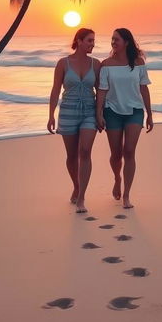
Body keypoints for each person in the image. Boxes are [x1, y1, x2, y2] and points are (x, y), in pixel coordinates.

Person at [96, 28, 153, 209]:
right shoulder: (106, 65)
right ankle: (117, 178)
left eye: (117, 39)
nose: (113, 42)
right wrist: (99, 114)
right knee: (116, 154)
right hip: (112, 111)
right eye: (112, 39)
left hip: (135, 111)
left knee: (129, 152)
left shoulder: (138, 62)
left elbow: (144, 88)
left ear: (126, 42)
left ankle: (127, 195)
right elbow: (102, 91)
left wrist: (150, 114)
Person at [48, 28, 101, 213]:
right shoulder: (63, 63)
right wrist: (50, 115)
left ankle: (81, 198)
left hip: (89, 111)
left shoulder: (96, 64)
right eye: (89, 40)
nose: (92, 44)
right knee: (72, 156)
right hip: (68, 111)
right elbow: (55, 90)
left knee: (85, 151)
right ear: (78, 41)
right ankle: (77, 186)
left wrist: (100, 114)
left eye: (93, 41)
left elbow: (101, 92)